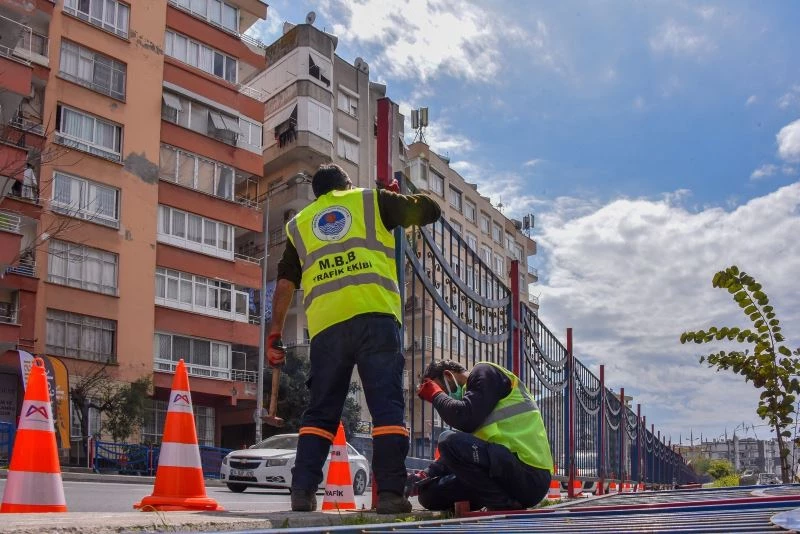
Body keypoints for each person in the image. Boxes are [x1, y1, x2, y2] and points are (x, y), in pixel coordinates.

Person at [268, 164, 441, 513]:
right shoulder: (370, 200)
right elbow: (430, 211)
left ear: (317, 194)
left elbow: (285, 283)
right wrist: (396, 197)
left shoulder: (301, 224)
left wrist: (275, 333)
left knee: (321, 412)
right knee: (386, 408)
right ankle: (391, 495)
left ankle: (302, 492)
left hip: (327, 328)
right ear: (347, 185)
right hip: (375, 317)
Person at [413, 359, 553, 511]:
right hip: (500, 475)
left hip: (529, 476)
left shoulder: (485, 372)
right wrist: (425, 475)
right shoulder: (473, 401)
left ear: (448, 375)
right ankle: (502, 500)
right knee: (429, 494)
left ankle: (501, 504)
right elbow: (459, 455)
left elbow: (464, 420)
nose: (445, 398)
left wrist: (436, 395)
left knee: (447, 440)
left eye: (443, 391)